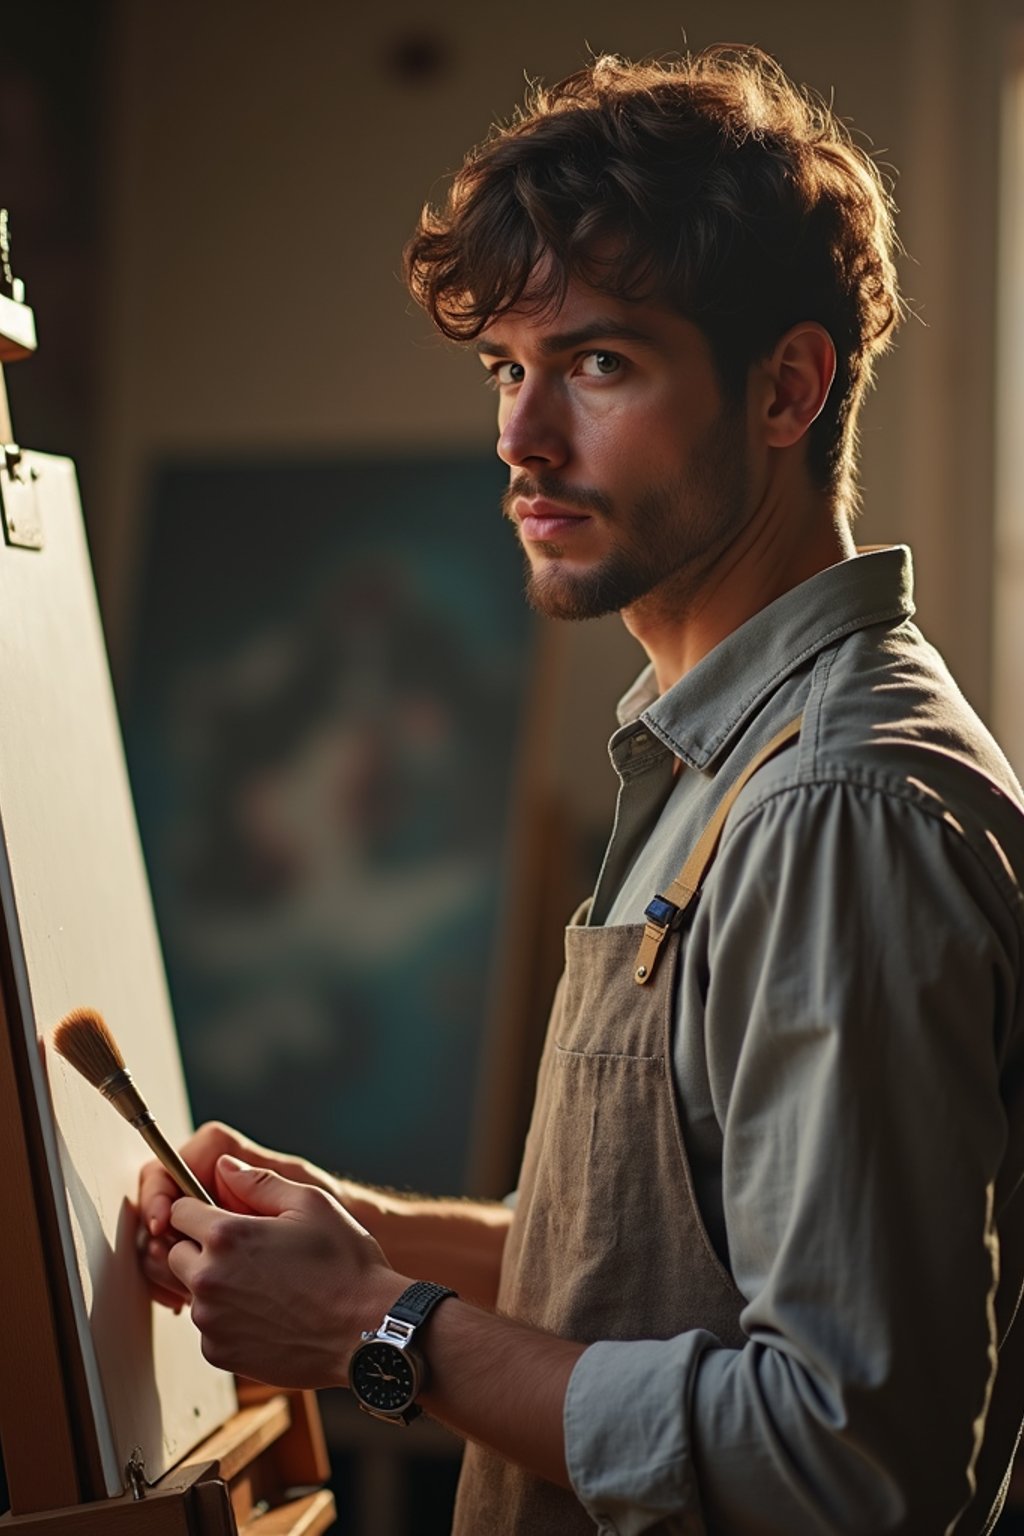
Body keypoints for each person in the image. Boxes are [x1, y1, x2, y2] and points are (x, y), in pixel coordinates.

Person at [138, 45, 1024, 1535]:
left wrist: (376, 1322)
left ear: (788, 388)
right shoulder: (712, 749)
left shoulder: (833, 810)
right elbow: (674, 1261)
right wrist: (376, 1240)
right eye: (507, 369)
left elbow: (845, 1463)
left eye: (599, 364)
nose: (521, 440)